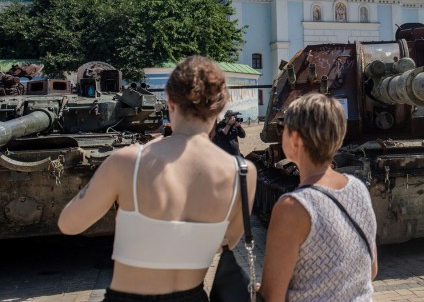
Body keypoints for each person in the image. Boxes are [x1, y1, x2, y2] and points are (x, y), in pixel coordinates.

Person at [58, 55, 257, 302]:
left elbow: (69, 224)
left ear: (169, 102)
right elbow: (226, 241)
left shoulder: (128, 162)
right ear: (219, 107)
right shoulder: (243, 171)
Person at [259, 93, 378, 302]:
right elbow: (371, 270)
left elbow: (271, 297)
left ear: (295, 139)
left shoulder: (293, 207)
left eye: (283, 129)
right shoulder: (358, 189)